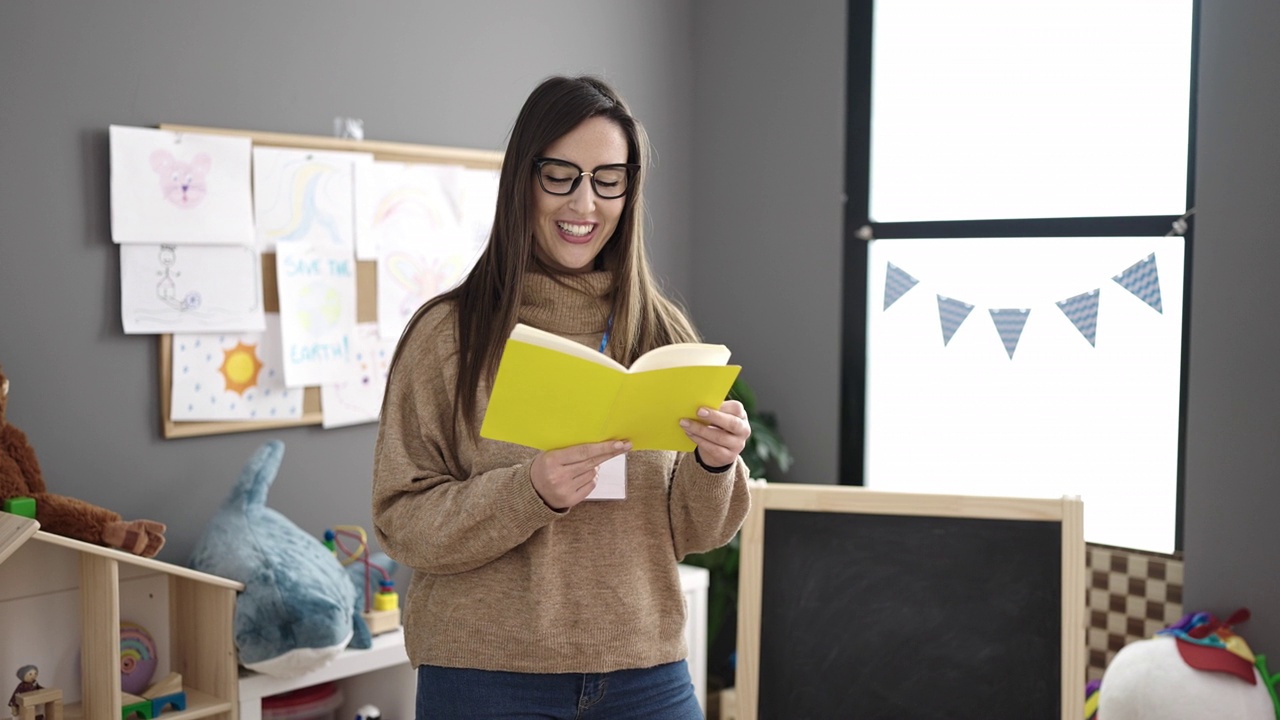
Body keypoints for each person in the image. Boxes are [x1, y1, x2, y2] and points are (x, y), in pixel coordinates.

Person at [372, 74, 753, 719]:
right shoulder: (447, 335)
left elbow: (694, 532)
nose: (585, 204)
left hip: (646, 671)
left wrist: (715, 465)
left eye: (609, 179)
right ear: (523, 179)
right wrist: (530, 492)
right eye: (561, 175)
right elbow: (400, 521)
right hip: (487, 676)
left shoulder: (661, 332)